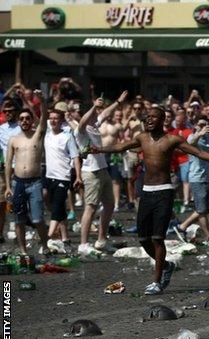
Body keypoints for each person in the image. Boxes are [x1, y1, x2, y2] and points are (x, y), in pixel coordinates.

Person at [91, 106, 209, 294]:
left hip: (164, 192)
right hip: (147, 192)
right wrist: (98, 149)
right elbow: (120, 146)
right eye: (147, 117)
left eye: (153, 117)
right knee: (143, 238)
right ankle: (167, 265)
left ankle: (157, 281)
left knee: (157, 238)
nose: (149, 120)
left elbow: (199, 153)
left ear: (162, 121)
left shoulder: (172, 139)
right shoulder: (142, 138)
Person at [75, 92, 126, 256]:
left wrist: (118, 101)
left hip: (103, 170)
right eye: (94, 112)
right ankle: (83, 244)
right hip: (90, 173)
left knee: (110, 205)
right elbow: (83, 121)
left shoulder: (95, 125)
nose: (97, 114)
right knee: (90, 207)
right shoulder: (80, 130)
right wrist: (94, 106)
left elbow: (105, 113)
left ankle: (101, 241)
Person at [5, 92, 49, 254]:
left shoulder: (37, 135)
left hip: (35, 182)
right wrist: (8, 186)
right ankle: (23, 251)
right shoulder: (13, 140)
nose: (24, 121)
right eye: (22, 119)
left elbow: (44, 118)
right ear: (19, 121)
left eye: (27, 118)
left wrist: (42, 101)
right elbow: (9, 163)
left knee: (38, 219)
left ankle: (45, 246)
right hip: (17, 183)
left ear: (31, 121)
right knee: (19, 220)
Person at [44, 109, 82, 252]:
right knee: (56, 206)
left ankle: (47, 238)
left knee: (57, 205)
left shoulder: (67, 137)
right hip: (49, 176)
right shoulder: (46, 135)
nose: (53, 121)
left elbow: (75, 157)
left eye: (56, 118)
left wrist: (78, 176)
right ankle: (65, 238)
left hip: (63, 177)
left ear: (61, 121)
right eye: (51, 118)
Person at [0, 99, 22, 242]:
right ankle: (1, 232)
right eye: (5, 111)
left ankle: (16, 228)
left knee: (18, 201)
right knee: (2, 202)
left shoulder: (22, 126)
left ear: (16, 111)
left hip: (20, 168)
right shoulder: (1, 128)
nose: (8, 113)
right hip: (3, 170)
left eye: (10, 110)